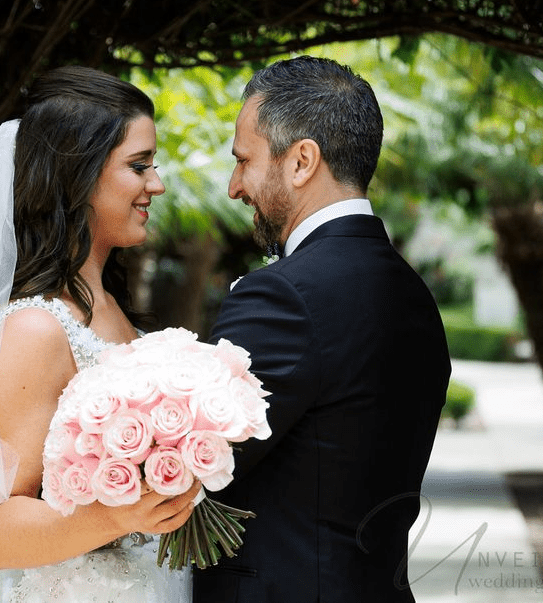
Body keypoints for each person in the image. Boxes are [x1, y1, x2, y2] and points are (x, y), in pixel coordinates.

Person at [191, 56, 451, 602]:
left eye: (244, 160)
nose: (235, 186)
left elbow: (197, 465)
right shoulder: (414, 296)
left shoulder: (281, 295)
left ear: (302, 160)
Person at [0, 66, 199, 602]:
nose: (157, 183)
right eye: (139, 165)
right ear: (80, 175)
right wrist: (118, 513)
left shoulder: (114, 311)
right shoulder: (35, 329)